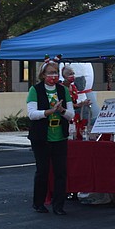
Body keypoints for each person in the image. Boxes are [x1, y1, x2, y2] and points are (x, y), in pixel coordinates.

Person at [27, 59, 75, 215]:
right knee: (42, 171)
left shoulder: (63, 90)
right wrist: (47, 112)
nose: (53, 76)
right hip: (41, 137)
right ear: (43, 74)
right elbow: (32, 114)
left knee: (60, 172)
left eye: (55, 72)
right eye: (50, 73)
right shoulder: (35, 90)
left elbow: (70, 115)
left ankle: (58, 205)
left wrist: (61, 110)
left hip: (59, 137)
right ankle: (39, 203)